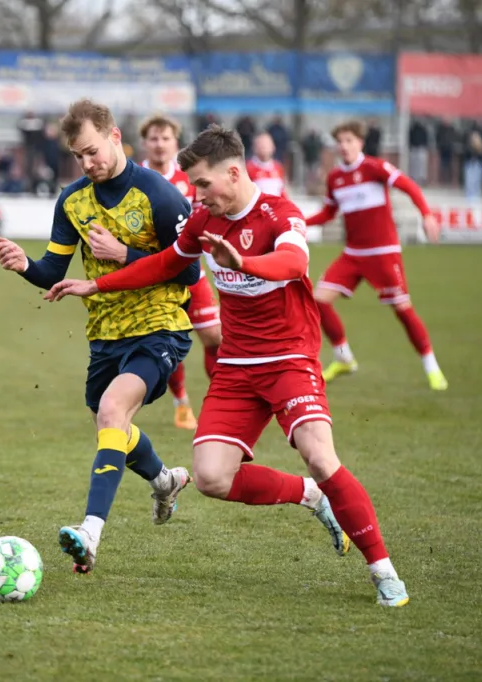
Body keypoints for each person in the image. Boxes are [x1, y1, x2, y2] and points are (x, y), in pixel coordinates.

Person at [46, 126, 410, 608]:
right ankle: (311, 497)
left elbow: (293, 264)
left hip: (290, 360)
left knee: (321, 457)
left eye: (201, 184)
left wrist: (244, 262)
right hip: (237, 366)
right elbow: (164, 265)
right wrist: (96, 286)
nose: (196, 195)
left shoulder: (281, 214)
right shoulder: (203, 221)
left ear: (233, 173)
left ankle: (383, 570)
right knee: (213, 478)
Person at [0, 99, 200, 574]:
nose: (88, 164)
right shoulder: (73, 200)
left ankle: (90, 531)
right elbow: (53, 270)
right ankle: (165, 480)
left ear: (114, 137)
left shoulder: (160, 195)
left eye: (92, 151)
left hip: (159, 326)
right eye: (78, 156)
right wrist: (25, 266)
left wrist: (125, 254)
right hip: (105, 332)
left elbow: (189, 272)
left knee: (112, 410)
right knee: (111, 428)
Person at [305, 121, 447, 391]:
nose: (344, 146)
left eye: (349, 140)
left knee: (402, 310)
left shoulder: (375, 167)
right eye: (340, 141)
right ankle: (343, 357)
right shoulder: (335, 178)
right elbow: (328, 214)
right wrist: (300, 220)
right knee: (319, 299)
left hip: (383, 253)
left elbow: (408, 186)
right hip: (353, 254)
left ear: (360, 142)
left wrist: (427, 214)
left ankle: (432, 367)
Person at [138, 114, 221, 430]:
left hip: (189, 270)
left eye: (166, 138)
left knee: (214, 337)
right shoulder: (134, 178)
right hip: (153, 277)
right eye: (154, 139)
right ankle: (182, 402)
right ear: (145, 143)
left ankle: (218, 404)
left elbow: (205, 218)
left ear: (176, 142)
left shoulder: (189, 178)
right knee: (169, 344)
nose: (159, 144)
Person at [246, 131, 287, 197]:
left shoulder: (278, 167)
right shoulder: (247, 168)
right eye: (261, 144)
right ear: (254, 147)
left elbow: (283, 191)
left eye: (267, 144)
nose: (264, 147)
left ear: (273, 147)